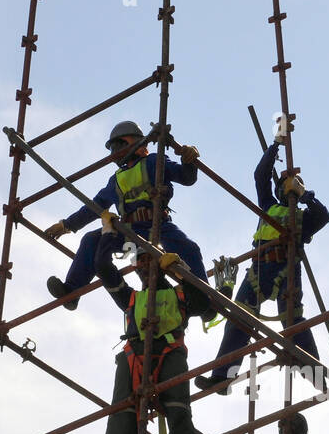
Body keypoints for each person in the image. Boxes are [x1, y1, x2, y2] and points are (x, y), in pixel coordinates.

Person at [69, 215, 212, 434]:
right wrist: (109, 233)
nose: (144, 269)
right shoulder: (130, 297)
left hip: (170, 352)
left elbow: (206, 303)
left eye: (150, 263)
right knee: (122, 410)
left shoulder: (181, 294)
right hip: (134, 355)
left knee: (179, 411)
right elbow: (102, 267)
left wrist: (183, 270)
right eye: (140, 265)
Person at [195, 140, 329, 392]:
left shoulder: (302, 217)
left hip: (285, 270)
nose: (285, 190)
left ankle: (316, 373)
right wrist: (274, 147)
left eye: (289, 187)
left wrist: (304, 194)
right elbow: (260, 176)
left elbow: (324, 216)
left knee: (293, 324)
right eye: (284, 186)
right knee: (238, 320)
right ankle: (223, 376)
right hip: (258, 270)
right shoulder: (268, 206)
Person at [44, 120, 208, 310]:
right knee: (91, 240)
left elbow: (186, 178)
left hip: (159, 225)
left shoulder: (154, 162)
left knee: (189, 249)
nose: (114, 153)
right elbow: (94, 207)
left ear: (133, 143)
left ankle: (204, 300)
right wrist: (67, 225)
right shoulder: (116, 180)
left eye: (117, 146)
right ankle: (71, 293)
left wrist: (188, 161)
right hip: (130, 231)